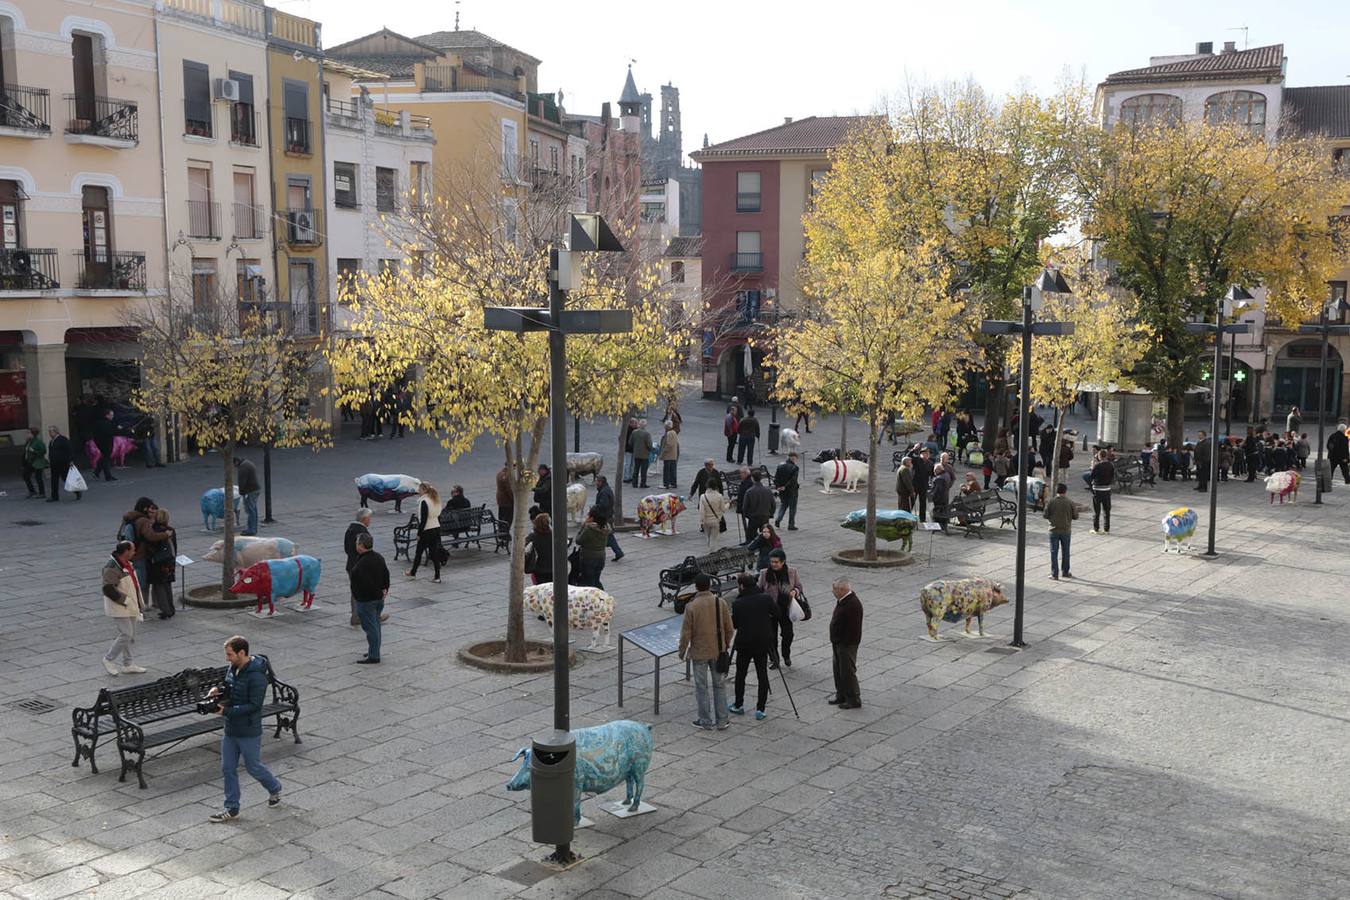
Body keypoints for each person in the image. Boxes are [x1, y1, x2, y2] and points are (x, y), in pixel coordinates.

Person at [208, 636, 284, 821]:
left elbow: (254, 705)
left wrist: (226, 710)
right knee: (227, 768)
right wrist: (217, 690)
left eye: (230, 654)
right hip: (230, 729)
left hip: (248, 729)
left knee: (253, 767)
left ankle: (274, 788)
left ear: (242, 653)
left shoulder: (257, 676)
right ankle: (232, 808)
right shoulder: (233, 668)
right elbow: (229, 688)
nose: (227, 658)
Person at [678, 573, 734, 731]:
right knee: (719, 685)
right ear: (709, 585)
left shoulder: (691, 606)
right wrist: (725, 645)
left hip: (699, 652)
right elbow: (729, 628)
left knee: (701, 687)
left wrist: (682, 651)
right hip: (718, 650)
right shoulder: (720, 602)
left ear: (696, 587)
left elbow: (686, 633)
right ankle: (722, 720)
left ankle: (705, 720)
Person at [729, 573, 782, 720]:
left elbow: (735, 624)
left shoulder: (738, 603)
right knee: (762, 674)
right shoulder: (765, 598)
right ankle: (760, 708)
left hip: (744, 643)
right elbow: (777, 613)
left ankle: (738, 705)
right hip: (762, 642)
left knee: (741, 674)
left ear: (741, 586)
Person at [101, 541, 147, 676]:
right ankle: (108, 659)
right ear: (126, 551)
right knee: (126, 634)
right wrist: (126, 601)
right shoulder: (112, 567)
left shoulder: (125, 564)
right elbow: (108, 588)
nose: (134, 552)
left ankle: (128, 664)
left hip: (129, 604)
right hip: (120, 606)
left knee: (130, 635)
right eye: (132, 550)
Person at [349, 533, 390, 664]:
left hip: (366, 600)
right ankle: (374, 650)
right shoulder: (379, 557)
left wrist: (357, 597)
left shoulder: (362, 564)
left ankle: (374, 656)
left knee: (371, 628)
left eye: (357, 543)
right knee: (376, 626)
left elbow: (355, 581)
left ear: (361, 546)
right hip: (378, 598)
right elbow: (386, 575)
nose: (356, 545)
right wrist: (384, 589)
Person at [758, 548, 803, 669]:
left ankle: (786, 654)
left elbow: (799, 586)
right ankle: (774, 659)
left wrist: (795, 591)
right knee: (771, 636)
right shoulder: (764, 573)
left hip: (785, 609)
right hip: (770, 611)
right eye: (772, 561)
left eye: (776, 562)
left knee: (788, 634)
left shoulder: (792, 572)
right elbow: (759, 589)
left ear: (783, 562)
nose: (774, 564)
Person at [828, 576, 863, 710]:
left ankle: (853, 699)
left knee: (847, 671)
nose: (832, 591)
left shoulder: (853, 604)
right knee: (838, 670)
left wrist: (843, 643)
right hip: (838, 642)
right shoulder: (843, 600)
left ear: (842, 589)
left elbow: (853, 628)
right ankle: (841, 695)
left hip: (846, 644)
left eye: (834, 589)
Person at [405, 482, 443, 584]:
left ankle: (413, 572)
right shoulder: (436, 499)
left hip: (427, 529)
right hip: (436, 527)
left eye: (420, 489)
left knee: (419, 552)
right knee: (434, 553)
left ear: (424, 490)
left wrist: (419, 533)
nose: (418, 491)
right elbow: (438, 515)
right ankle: (437, 576)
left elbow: (424, 519)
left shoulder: (424, 501)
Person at [146, 508, 178, 619]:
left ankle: (166, 610)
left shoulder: (154, 530)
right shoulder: (170, 530)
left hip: (157, 562)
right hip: (169, 561)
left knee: (159, 586)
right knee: (167, 585)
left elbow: (150, 548)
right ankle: (171, 608)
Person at [345, 508, 373, 626]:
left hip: (351, 564)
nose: (370, 521)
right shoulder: (362, 532)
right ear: (365, 519)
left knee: (357, 591)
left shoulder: (350, 529)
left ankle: (359, 615)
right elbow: (366, 550)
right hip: (361, 566)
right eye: (369, 518)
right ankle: (361, 616)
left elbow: (347, 549)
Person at [1044, 482, 1077, 580]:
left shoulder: (1051, 502)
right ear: (1065, 491)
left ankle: (1054, 574)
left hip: (1053, 530)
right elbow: (1076, 516)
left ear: (1056, 491)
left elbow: (1045, 515)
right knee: (1066, 551)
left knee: (1054, 552)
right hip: (1066, 530)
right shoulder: (1070, 502)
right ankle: (1065, 572)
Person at [575, 508, 611, 588]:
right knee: (596, 580)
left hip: (588, 557)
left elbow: (578, 540)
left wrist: (583, 525)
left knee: (588, 582)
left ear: (592, 518)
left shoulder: (589, 529)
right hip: (601, 557)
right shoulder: (606, 528)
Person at [592, 476, 624, 561]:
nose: (596, 483)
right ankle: (617, 552)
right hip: (606, 516)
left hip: (604, 517)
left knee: (607, 536)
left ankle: (617, 552)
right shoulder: (605, 489)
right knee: (607, 535)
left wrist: (594, 508)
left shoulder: (604, 492)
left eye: (597, 482)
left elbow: (604, 505)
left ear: (601, 482)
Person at [740, 471, 775, 538]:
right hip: (765, 516)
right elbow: (773, 505)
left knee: (751, 536)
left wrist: (748, 516)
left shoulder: (749, 491)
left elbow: (745, 507)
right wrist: (770, 514)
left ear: (752, 478)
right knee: (766, 536)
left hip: (753, 517)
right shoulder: (768, 491)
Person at [698, 480, 728, 552]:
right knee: (713, 539)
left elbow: (702, 511)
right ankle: (712, 552)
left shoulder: (703, 497)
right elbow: (723, 509)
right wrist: (728, 504)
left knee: (708, 538)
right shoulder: (719, 496)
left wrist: (702, 521)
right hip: (716, 520)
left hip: (706, 521)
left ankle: (710, 550)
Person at [524, 513, 554, 586]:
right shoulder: (553, 535)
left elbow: (524, 548)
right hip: (553, 567)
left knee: (541, 587)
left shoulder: (533, 536)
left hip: (539, 568)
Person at [1089, 450, 1114, 535]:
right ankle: (1106, 529)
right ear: (1106, 456)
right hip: (1107, 489)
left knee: (1097, 510)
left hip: (1097, 489)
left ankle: (1096, 528)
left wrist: (1092, 468)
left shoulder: (1097, 465)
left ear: (1099, 456)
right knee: (1107, 510)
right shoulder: (1110, 465)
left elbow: (1092, 476)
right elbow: (1112, 476)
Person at [773, 452, 800, 530]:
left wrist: (778, 486)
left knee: (783, 505)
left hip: (782, 490)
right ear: (794, 458)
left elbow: (776, 477)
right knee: (792, 508)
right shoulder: (795, 467)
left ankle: (778, 519)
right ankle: (791, 525)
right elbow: (793, 480)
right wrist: (785, 486)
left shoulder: (780, 465)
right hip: (792, 491)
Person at [46, 426, 74, 502]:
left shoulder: (63, 439)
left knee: (65, 478)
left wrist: (71, 460)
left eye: (51, 431)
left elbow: (69, 449)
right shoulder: (52, 441)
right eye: (49, 432)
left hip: (62, 463)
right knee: (54, 480)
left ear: (55, 432)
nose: (49, 433)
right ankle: (54, 496)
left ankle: (76, 491)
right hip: (54, 463)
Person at [235, 456, 261, 535]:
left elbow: (242, 482)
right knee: (253, 509)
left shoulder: (242, 467)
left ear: (236, 462)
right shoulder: (247, 463)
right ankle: (253, 528)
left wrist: (241, 493)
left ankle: (251, 529)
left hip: (250, 490)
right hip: (255, 489)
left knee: (250, 510)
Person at [92, 408, 118, 482]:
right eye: (111, 415)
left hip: (100, 443)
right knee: (106, 459)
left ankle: (96, 472)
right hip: (106, 443)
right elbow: (110, 432)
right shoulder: (106, 423)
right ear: (107, 415)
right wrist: (118, 430)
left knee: (104, 457)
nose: (112, 416)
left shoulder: (99, 422)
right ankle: (108, 476)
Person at [22, 426, 47, 499]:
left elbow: (43, 451)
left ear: (33, 434)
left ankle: (42, 493)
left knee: (38, 477)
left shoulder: (38, 442)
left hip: (37, 462)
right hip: (29, 462)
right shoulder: (28, 441)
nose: (27, 434)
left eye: (29, 433)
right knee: (25, 475)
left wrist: (34, 451)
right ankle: (32, 491)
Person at [929, 463, 953, 534]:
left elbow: (937, 491)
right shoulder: (947, 475)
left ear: (939, 470)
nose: (934, 473)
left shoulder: (939, 478)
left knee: (934, 512)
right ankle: (943, 526)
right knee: (943, 512)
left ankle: (937, 527)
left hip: (939, 500)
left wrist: (931, 496)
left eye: (935, 471)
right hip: (945, 497)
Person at [629, 419, 653, 488]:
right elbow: (649, 445)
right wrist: (649, 449)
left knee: (636, 469)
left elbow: (630, 442)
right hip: (644, 454)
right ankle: (643, 483)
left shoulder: (634, 432)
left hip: (636, 453)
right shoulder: (647, 434)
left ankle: (634, 483)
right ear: (645, 425)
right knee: (643, 470)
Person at [912, 448, 933, 522]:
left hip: (924, 486)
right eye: (925, 453)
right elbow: (907, 457)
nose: (926, 455)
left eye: (928, 454)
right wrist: (913, 449)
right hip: (915, 485)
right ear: (921, 454)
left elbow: (932, 474)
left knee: (923, 503)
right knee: (911, 501)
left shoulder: (930, 463)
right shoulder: (917, 460)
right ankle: (907, 516)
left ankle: (922, 518)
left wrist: (931, 482)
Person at [496, 465, 514, 547]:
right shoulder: (508, 476)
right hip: (507, 501)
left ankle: (502, 533)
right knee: (508, 518)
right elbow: (509, 490)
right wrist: (514, 499)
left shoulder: (500, 473)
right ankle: (505, 534)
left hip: (500, 500)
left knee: (501, 516)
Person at [659, 423, 680, 489]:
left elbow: (669, 444)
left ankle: (666, 484)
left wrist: (663, 453)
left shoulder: (669, 433)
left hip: (668, 455)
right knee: (672, 470)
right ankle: (673, 483)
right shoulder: (674, 432)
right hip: (674, 455)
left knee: (666, 470)